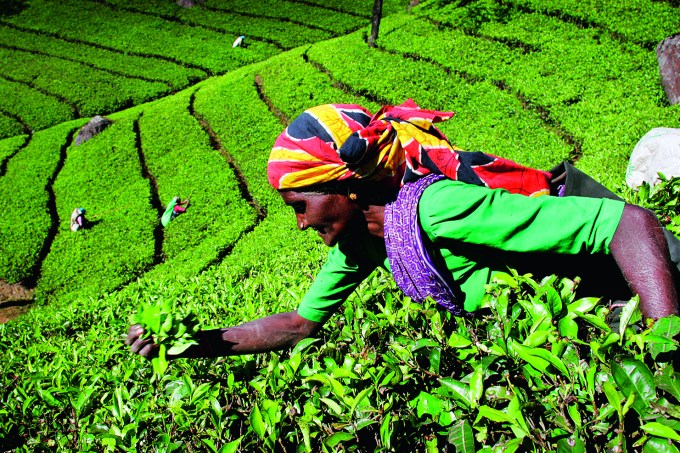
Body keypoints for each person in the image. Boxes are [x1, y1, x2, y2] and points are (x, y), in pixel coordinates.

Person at [127, 100, 679, 360]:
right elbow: (297, 324)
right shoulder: (363, 242)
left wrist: (665, 349)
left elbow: (630, 224)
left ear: (345, 188)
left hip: (635, 293)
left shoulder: (435, 209)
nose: (298, 223)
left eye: (300, 204)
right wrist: (187, 345)